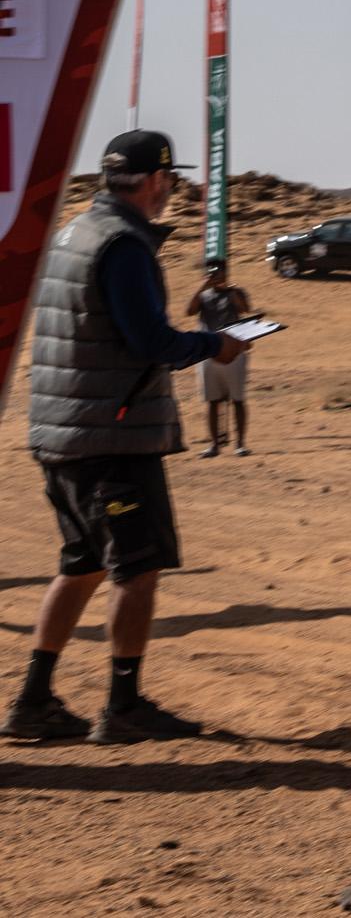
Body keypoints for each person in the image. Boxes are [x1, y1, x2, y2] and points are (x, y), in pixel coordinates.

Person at [8, 130, 246, 744]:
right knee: (136, 570)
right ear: (155, 180)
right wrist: (214, 345)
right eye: (171, 179)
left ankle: (33, 700)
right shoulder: (124, 244)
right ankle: (123, 705)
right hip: (111, 439)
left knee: (82, 564)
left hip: (63, 432)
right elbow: (152, 341)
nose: (171, 190)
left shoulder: (74, 232)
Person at [190, 260, 255, 458]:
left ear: (226, 273)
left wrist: (231, 291)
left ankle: (240, 444)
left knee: (238, 399)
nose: (215, 276)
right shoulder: (203, 294)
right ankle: (214, 445)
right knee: (212, 400)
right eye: (211, 272)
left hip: (234, 351)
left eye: (219, 272)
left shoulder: (235, 292)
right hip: (208, 353)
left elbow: (245, 309)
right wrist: (203, 287)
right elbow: (190, 311)